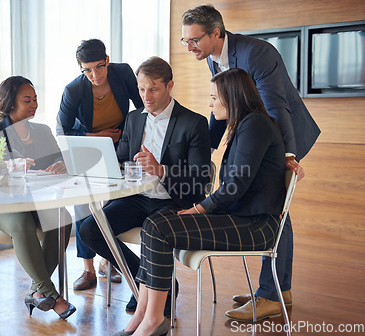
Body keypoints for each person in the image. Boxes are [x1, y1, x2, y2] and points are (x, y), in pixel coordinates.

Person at [114, 68, 287, 336]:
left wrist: (198, 209)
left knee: (158, 228)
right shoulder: (247, 124)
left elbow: (234, 186)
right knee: (154, 223)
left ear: (232, 98)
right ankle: (143, 314)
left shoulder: (255, 125)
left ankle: (153, 320)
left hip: (255, 226)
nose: (210, 104)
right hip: (241, 219)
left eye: (214, 98)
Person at [180, 4, 321, 321]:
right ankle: (277, 290)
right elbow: (224, 100)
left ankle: (271, 295)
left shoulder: (257, 53)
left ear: (216, 33)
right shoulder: (213, 57)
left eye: (193, 40)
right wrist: (202, 150)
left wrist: (286, 156)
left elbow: (275, 107)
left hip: (281, 138)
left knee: (275, 210)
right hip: (259, 136)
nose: (189, 47)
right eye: (184, 41)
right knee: (273, 209)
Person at [79, 56, 211, 317]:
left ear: (169, 86)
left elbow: (200, 178)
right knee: (90, 229)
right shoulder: (133, 119)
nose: (146, 96)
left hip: (174, 201)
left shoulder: (193, 123)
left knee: (152, 231)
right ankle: (147, 281)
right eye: (141, 89)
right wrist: (101, 163)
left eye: (153, 89)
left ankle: (151, 292)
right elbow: (122, 158)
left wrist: (160, 169)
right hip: (136, 198)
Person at [0, 76, 76, 319]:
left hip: (34, 202)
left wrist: (60, 163)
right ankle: (51, 294)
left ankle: (38, 292)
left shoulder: (42, 131)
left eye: (35, 99)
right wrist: (8, 165)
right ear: (9, 102)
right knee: (21, 222)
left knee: (62, 218)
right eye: (27, 100)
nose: (33, 104)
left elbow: (57, 159)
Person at [57, 39, 144, 290]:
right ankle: (88, 270)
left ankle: (109, 262)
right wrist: (97, 137)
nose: (94, 75)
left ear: (107, 60)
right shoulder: (73, 90)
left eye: (99, 67)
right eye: (87, 70)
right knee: (85, 206)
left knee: (113, 204)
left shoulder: (123, 72)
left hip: (121, 143)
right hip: (88, 147)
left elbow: (141, 108)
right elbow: (63, 132)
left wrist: (128, 139)